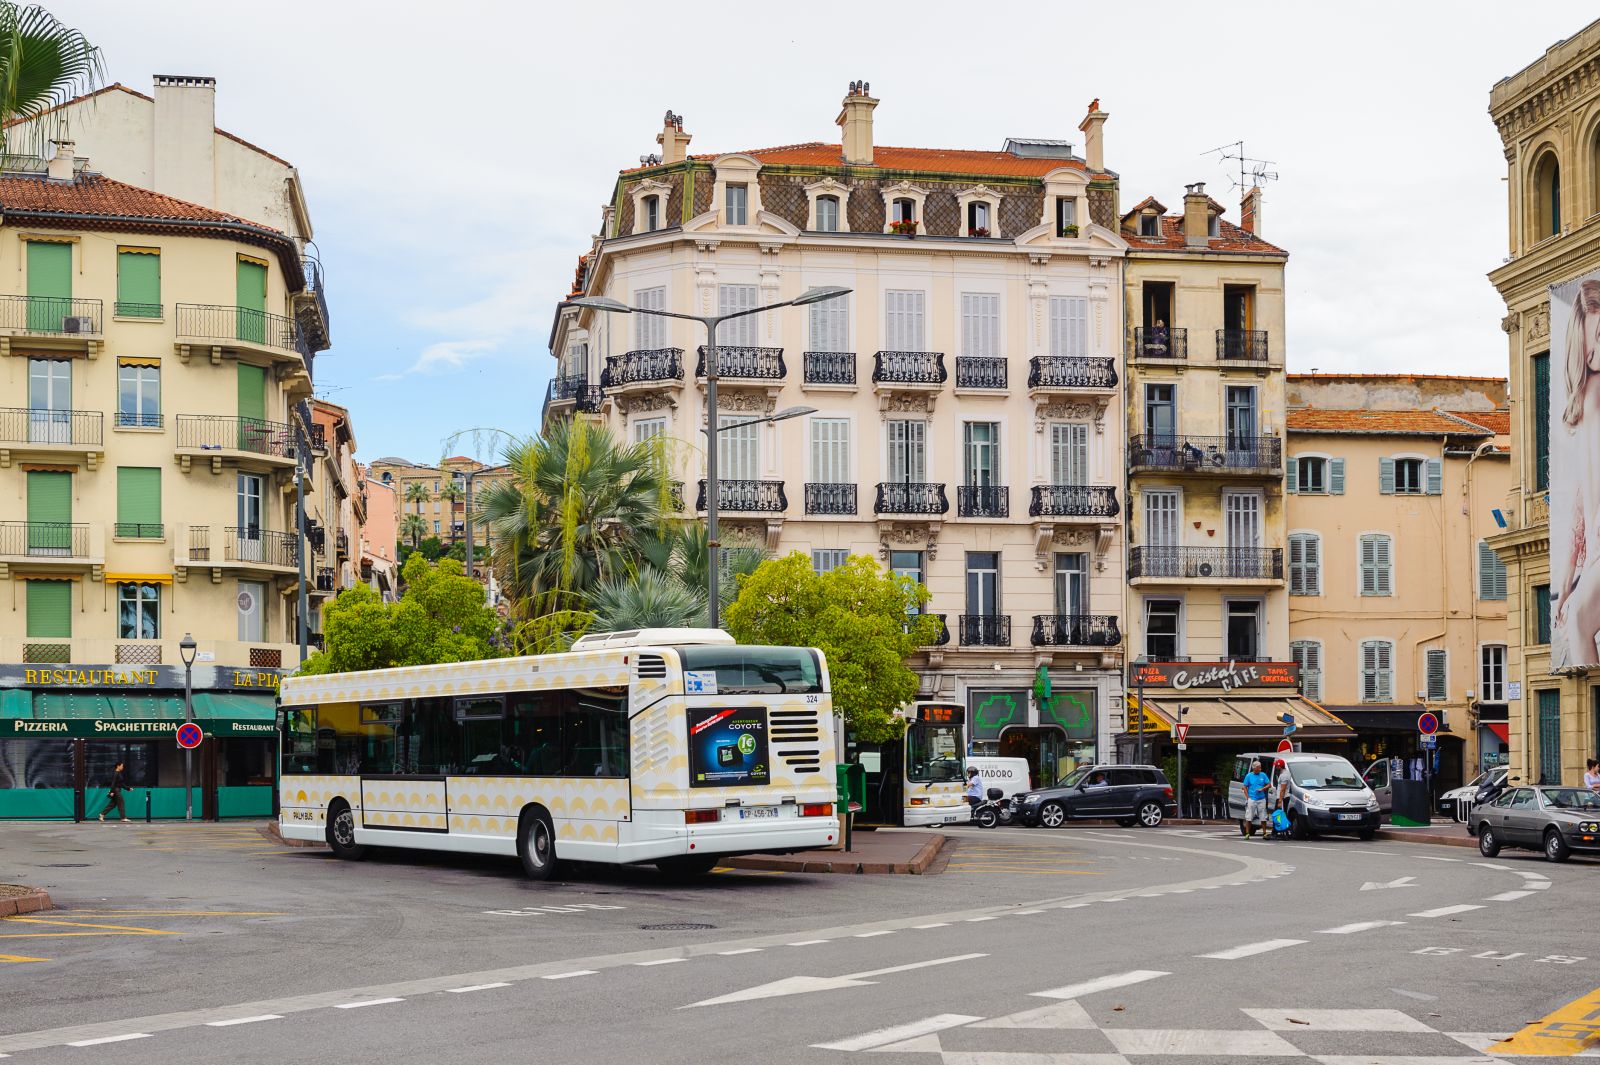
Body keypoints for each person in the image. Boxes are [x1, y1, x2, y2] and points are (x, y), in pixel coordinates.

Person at [1242, 759, 1271, 838]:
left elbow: (1269, 784)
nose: (1260, 769)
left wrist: (1262, 789)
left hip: (1261, 799)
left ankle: (1264, 833)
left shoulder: (1263, 775)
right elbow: (1244, 786)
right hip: (1252, 799)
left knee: (1263, 816)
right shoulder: (1249, 776)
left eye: (1260, 767)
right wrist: (1247, 797)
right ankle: (1247, 833)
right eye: (1259, 767)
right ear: (1254, 768)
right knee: (1249, 816)